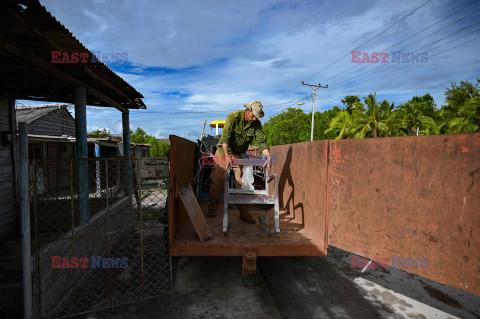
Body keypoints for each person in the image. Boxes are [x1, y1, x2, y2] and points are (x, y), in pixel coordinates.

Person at [207, 100, 271, 223]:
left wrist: (268, 156)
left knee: (243, 182)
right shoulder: (233, 117)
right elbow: (225, 138)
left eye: (257, 117)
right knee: (218, 178)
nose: (254, 119)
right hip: (224, 150)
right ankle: (213, 207)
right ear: (247, 111)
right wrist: (226, 156)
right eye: (253, 116)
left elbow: (261, 142)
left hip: (239, 153)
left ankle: (244, 212)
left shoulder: (256, 124)